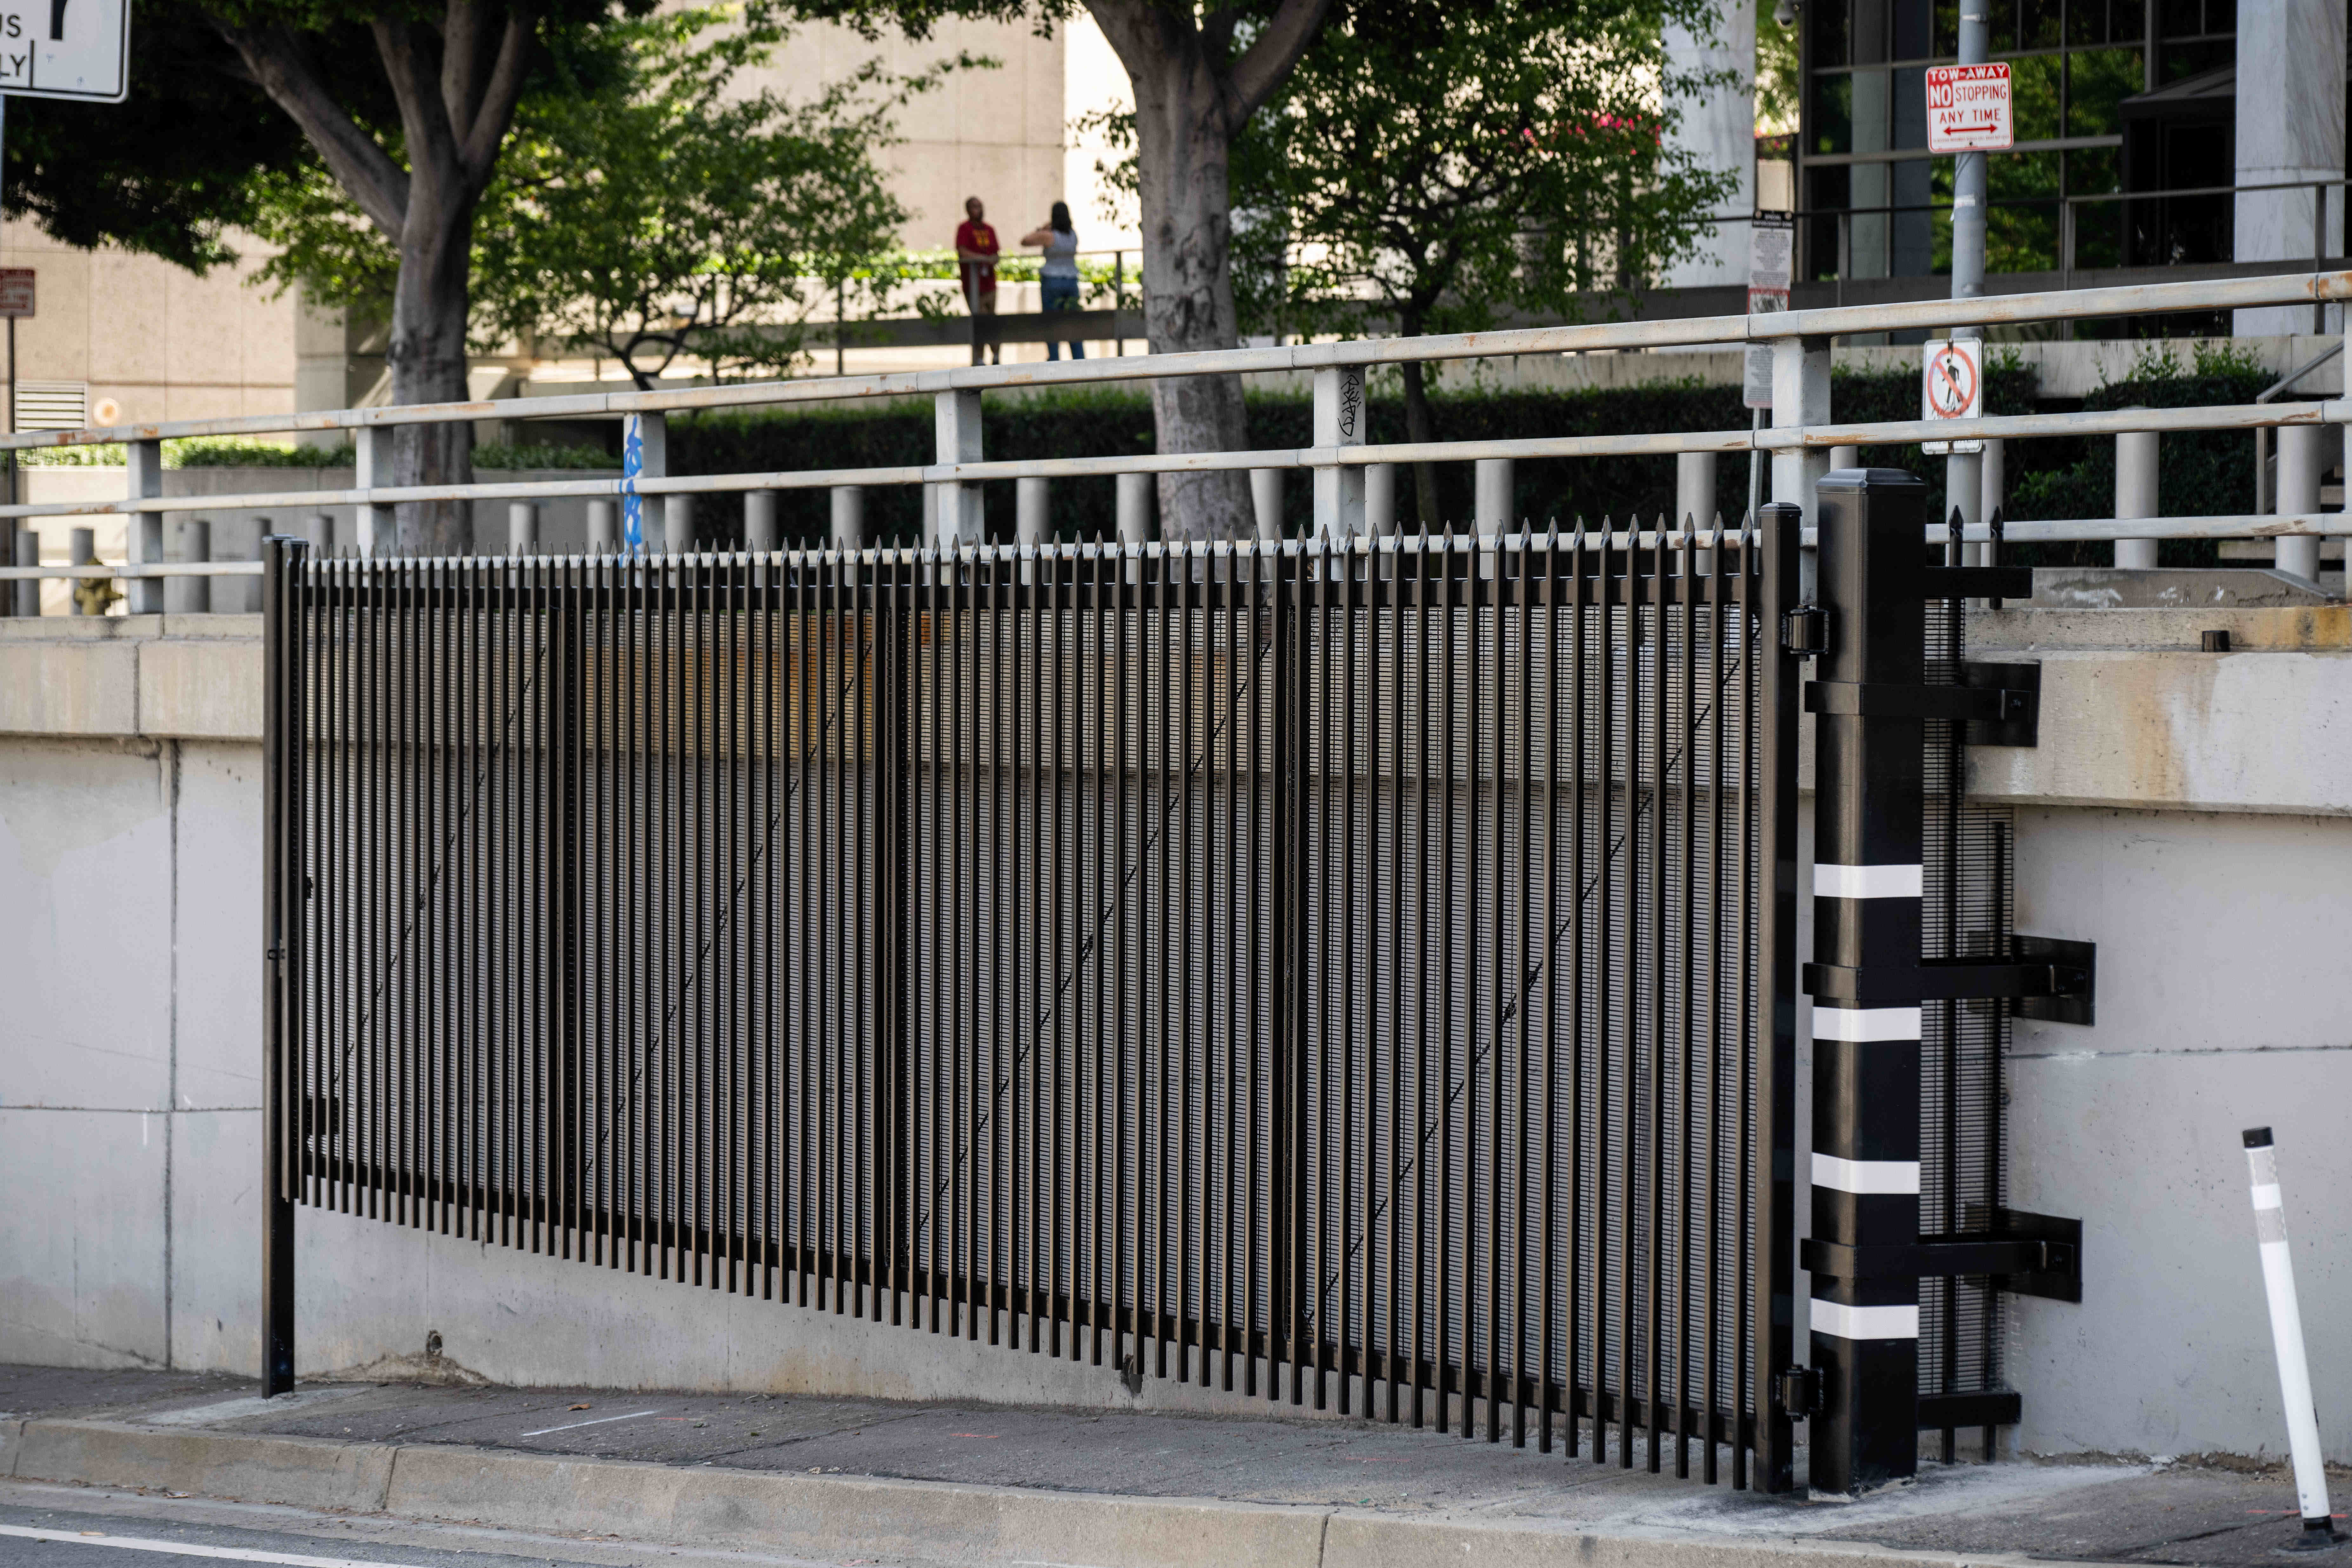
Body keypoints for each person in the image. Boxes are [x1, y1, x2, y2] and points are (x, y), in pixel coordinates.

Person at [1022, 201, 1085, 361]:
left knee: (1051, 325)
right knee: (1074, 325)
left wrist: (1043, 228)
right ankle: (1079, 360)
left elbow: (1025, 241)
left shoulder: (1049, 236)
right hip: (1071, 282)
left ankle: (1054, 360)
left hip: (1052, 282)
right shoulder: (1073, 235)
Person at [954, 196, 1000, 365]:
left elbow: (996, 254)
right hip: (973, 286)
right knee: (979, 320)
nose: (978, 210)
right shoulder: (964, 229)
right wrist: (982, 258)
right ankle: (979, 358)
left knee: (992, 320)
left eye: (980, 207)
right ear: (968, 210)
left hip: (990, 284)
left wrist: (991, 260)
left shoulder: (990, 229)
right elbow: (962, 252)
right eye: (974, 207)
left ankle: (996, 355)